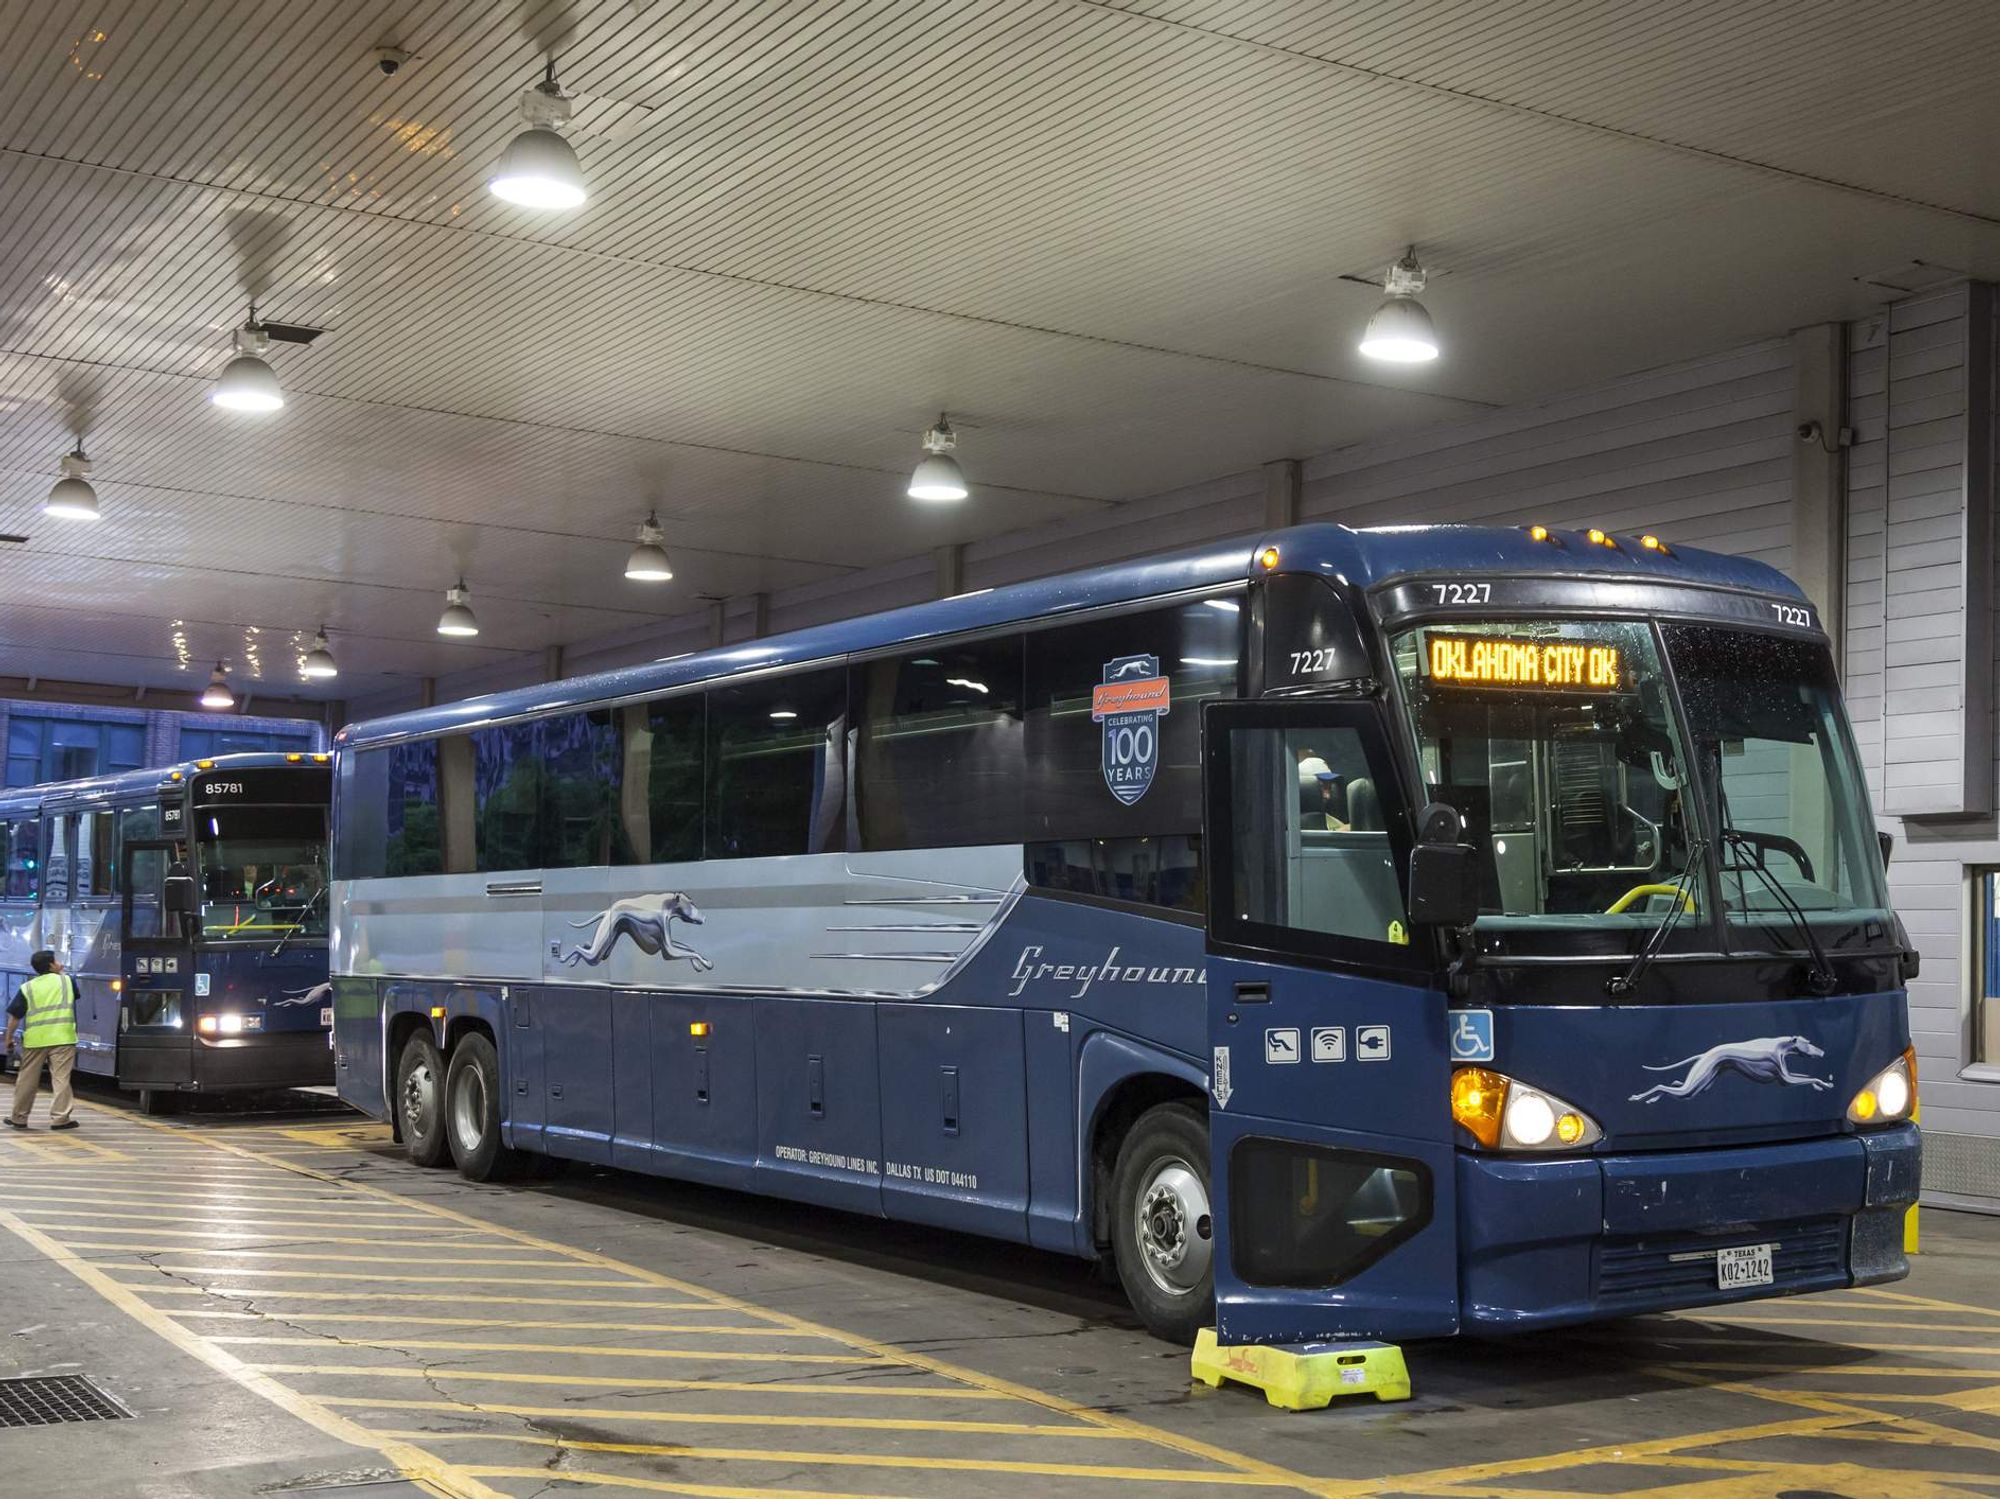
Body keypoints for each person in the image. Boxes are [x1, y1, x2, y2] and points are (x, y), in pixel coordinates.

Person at [3, 949, 79, 1131]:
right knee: (60, 1078)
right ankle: (60, 1119)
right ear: (52, 965)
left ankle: (19, 1118)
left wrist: (8, 1039)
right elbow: (75, 996)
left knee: (27, 1079)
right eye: (56, 960)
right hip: (63, 1037)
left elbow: (14, 1016)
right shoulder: (67, 981)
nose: (59, 963)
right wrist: (60, 973)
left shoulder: (28, 987)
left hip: (35, 1040)